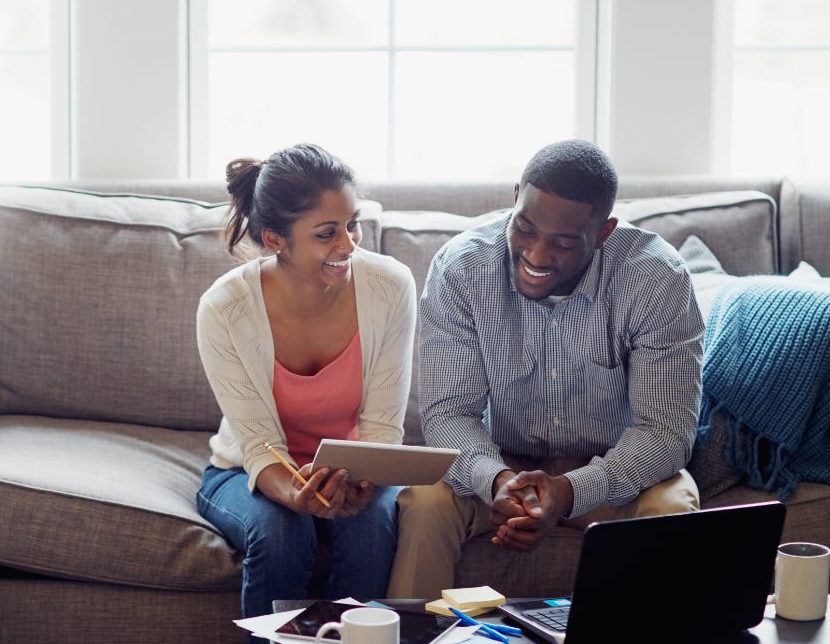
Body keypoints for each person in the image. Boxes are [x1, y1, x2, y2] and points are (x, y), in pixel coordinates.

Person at [388, 139, 704, 599]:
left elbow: (666, 432)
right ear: (516, 197)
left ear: (603, 231)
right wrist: (496, 481)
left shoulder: (656, 280)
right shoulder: (462, 268)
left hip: (610, 472)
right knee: (425, 501)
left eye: (562, 243)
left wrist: (570, 491)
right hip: (501, 465)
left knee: (673, 506)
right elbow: (448, 415)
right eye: (526, 228)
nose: (536, 255)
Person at [196, 143, 417, 624]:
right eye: (326, 234)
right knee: (282, 531)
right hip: (247, 471)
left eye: (352, 224)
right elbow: (259, 447)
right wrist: (297, 497)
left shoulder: (390, 287)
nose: (349, 246)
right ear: (276, 239)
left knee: (373, 523)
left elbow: (382, 429)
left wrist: (363, 480)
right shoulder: (225, 308)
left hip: (353, 468)